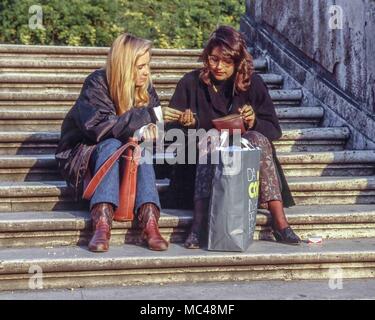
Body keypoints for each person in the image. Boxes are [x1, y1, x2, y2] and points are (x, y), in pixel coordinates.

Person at [163, 25, 301, 248]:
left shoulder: (252, 83)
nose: (219, 67)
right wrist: (186, 124)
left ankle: (280, 221)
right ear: (207, 57)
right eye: (214, 59)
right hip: (199, 167)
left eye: (227, 62)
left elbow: (274, 130)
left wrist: (253, 121)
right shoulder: (190, 83)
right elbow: (169, 137)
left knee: (258, 138)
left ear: (238, 62)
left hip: (242, 171)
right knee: (211, 136)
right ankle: (197, 226)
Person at [55, 33, 169, 253]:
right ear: (125, 66)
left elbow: (157, 130)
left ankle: (150, 222)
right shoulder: (96, 84)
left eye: (147, 65)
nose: (146, 72)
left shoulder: (146, 89)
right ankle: (102, 223)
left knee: (140, 148)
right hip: (83, 157)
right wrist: (144, 119)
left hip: (129, 160)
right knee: (111, 144)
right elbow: (99, 129)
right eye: (140, 66)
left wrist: (152, 132)